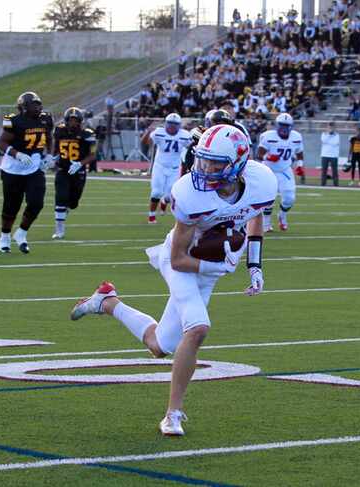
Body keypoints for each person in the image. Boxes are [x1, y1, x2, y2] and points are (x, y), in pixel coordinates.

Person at [70, 124, 276, 437]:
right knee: (198, 328)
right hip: (180, 261)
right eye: (202, 160)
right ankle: (173, 414)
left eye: (214, 164)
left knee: (160, 345)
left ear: (237, 164)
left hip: (207, 266)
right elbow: (179, 258)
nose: (204, 168)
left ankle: (107, 302)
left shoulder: (261, 182)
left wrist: (254, 265)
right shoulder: (190, 193)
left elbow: (255, 215)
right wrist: (221, 267)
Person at [0, 91, 53, 254]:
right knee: (11, 207)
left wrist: (48, 154)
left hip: (33, 168)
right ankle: (5, 236)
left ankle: (21, 233)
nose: (38, 107)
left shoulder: (46, 118)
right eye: (34, 104)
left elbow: (48, 137)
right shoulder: (12, 121)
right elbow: (1, 142)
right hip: (12, 169)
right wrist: (17, 154)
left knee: (37, 203)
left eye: (39, 104)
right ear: (24, 107)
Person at [51, 107, 97, 240]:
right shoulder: (59, 130)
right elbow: (56, 149)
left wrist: (80, 164)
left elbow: (93, 155)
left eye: (75, 120)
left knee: (73, 203)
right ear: (66, 121)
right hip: (63, 169)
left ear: (80, 121)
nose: (73, 123)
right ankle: (59, 229)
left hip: (79, 171)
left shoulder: (87, 134)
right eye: (70, 120)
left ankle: (65, 209)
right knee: (60, 198)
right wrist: (53, 158)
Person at [256, 113, 304, 231]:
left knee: (289, 198)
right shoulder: (268, 136)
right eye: (281, 125)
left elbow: (299, 153)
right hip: (268, 170)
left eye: (286, 126)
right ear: (277, 125)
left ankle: (282, 216)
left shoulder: (296, 137)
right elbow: (259, 154)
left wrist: (300, 165)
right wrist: (268, 157)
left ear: (291, 127)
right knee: (268, 198)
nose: (283, 128)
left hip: (284, 170)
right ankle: (266, 224)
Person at [141, 113, 191, 224]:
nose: (172, 126)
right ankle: (152, 216)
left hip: (174, 168)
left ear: (179, 125)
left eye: (175, 124)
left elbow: (192, 147)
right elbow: (145, 143)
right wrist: (148, 132)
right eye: (170, 124)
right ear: (166, 124)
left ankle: (164, 202)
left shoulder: (185, 135)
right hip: (160, 166)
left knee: (170, 195)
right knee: (156, 192)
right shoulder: (159, 133)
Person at [320, 122, 340, 186]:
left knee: (334, 171)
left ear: (334, 128)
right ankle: (323, 184)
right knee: (324, 171)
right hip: (324, 155)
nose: (331, 129)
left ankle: (336, 184)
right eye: (329, 127)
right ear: (327, 128)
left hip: (334, 156)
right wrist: (329, 134)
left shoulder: (337, 135)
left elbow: (335, 143)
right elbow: (324, 141)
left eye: (332, 127)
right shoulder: (323, 134)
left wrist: (330, 137)